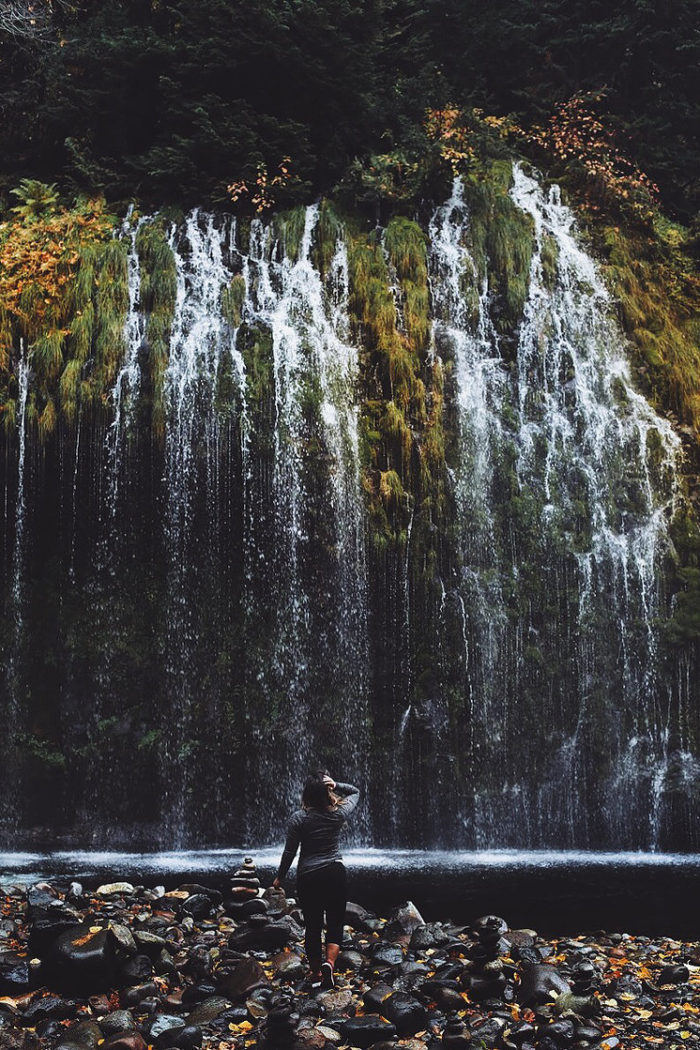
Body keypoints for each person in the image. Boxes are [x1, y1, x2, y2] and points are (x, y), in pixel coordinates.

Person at [273, 770, 360, 989]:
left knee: (312, 925)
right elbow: (355, 792)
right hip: (335, 872)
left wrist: (279, 878)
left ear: (307, 794)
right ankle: (329, 963)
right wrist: (336, 783)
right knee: (335, 921)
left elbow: (289, 852)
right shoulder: (339, 813)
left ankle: (315, 973)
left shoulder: (298, 819)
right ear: (327, 790)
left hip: (309, 876)